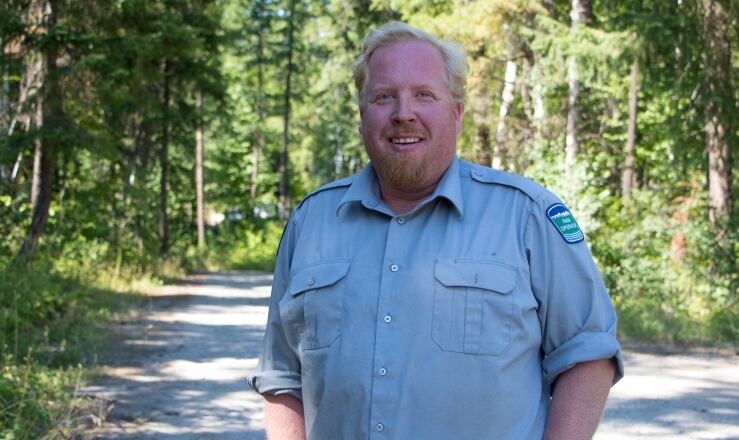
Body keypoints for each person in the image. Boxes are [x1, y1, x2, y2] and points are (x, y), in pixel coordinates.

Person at [248, 21, 623, 440]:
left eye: (423, 95)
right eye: (384, 96)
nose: (403, 113)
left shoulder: (527, 216)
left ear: (456, 113)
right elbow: (282, 376)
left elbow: (587, 353)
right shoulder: (311, 221)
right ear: (362, 115)